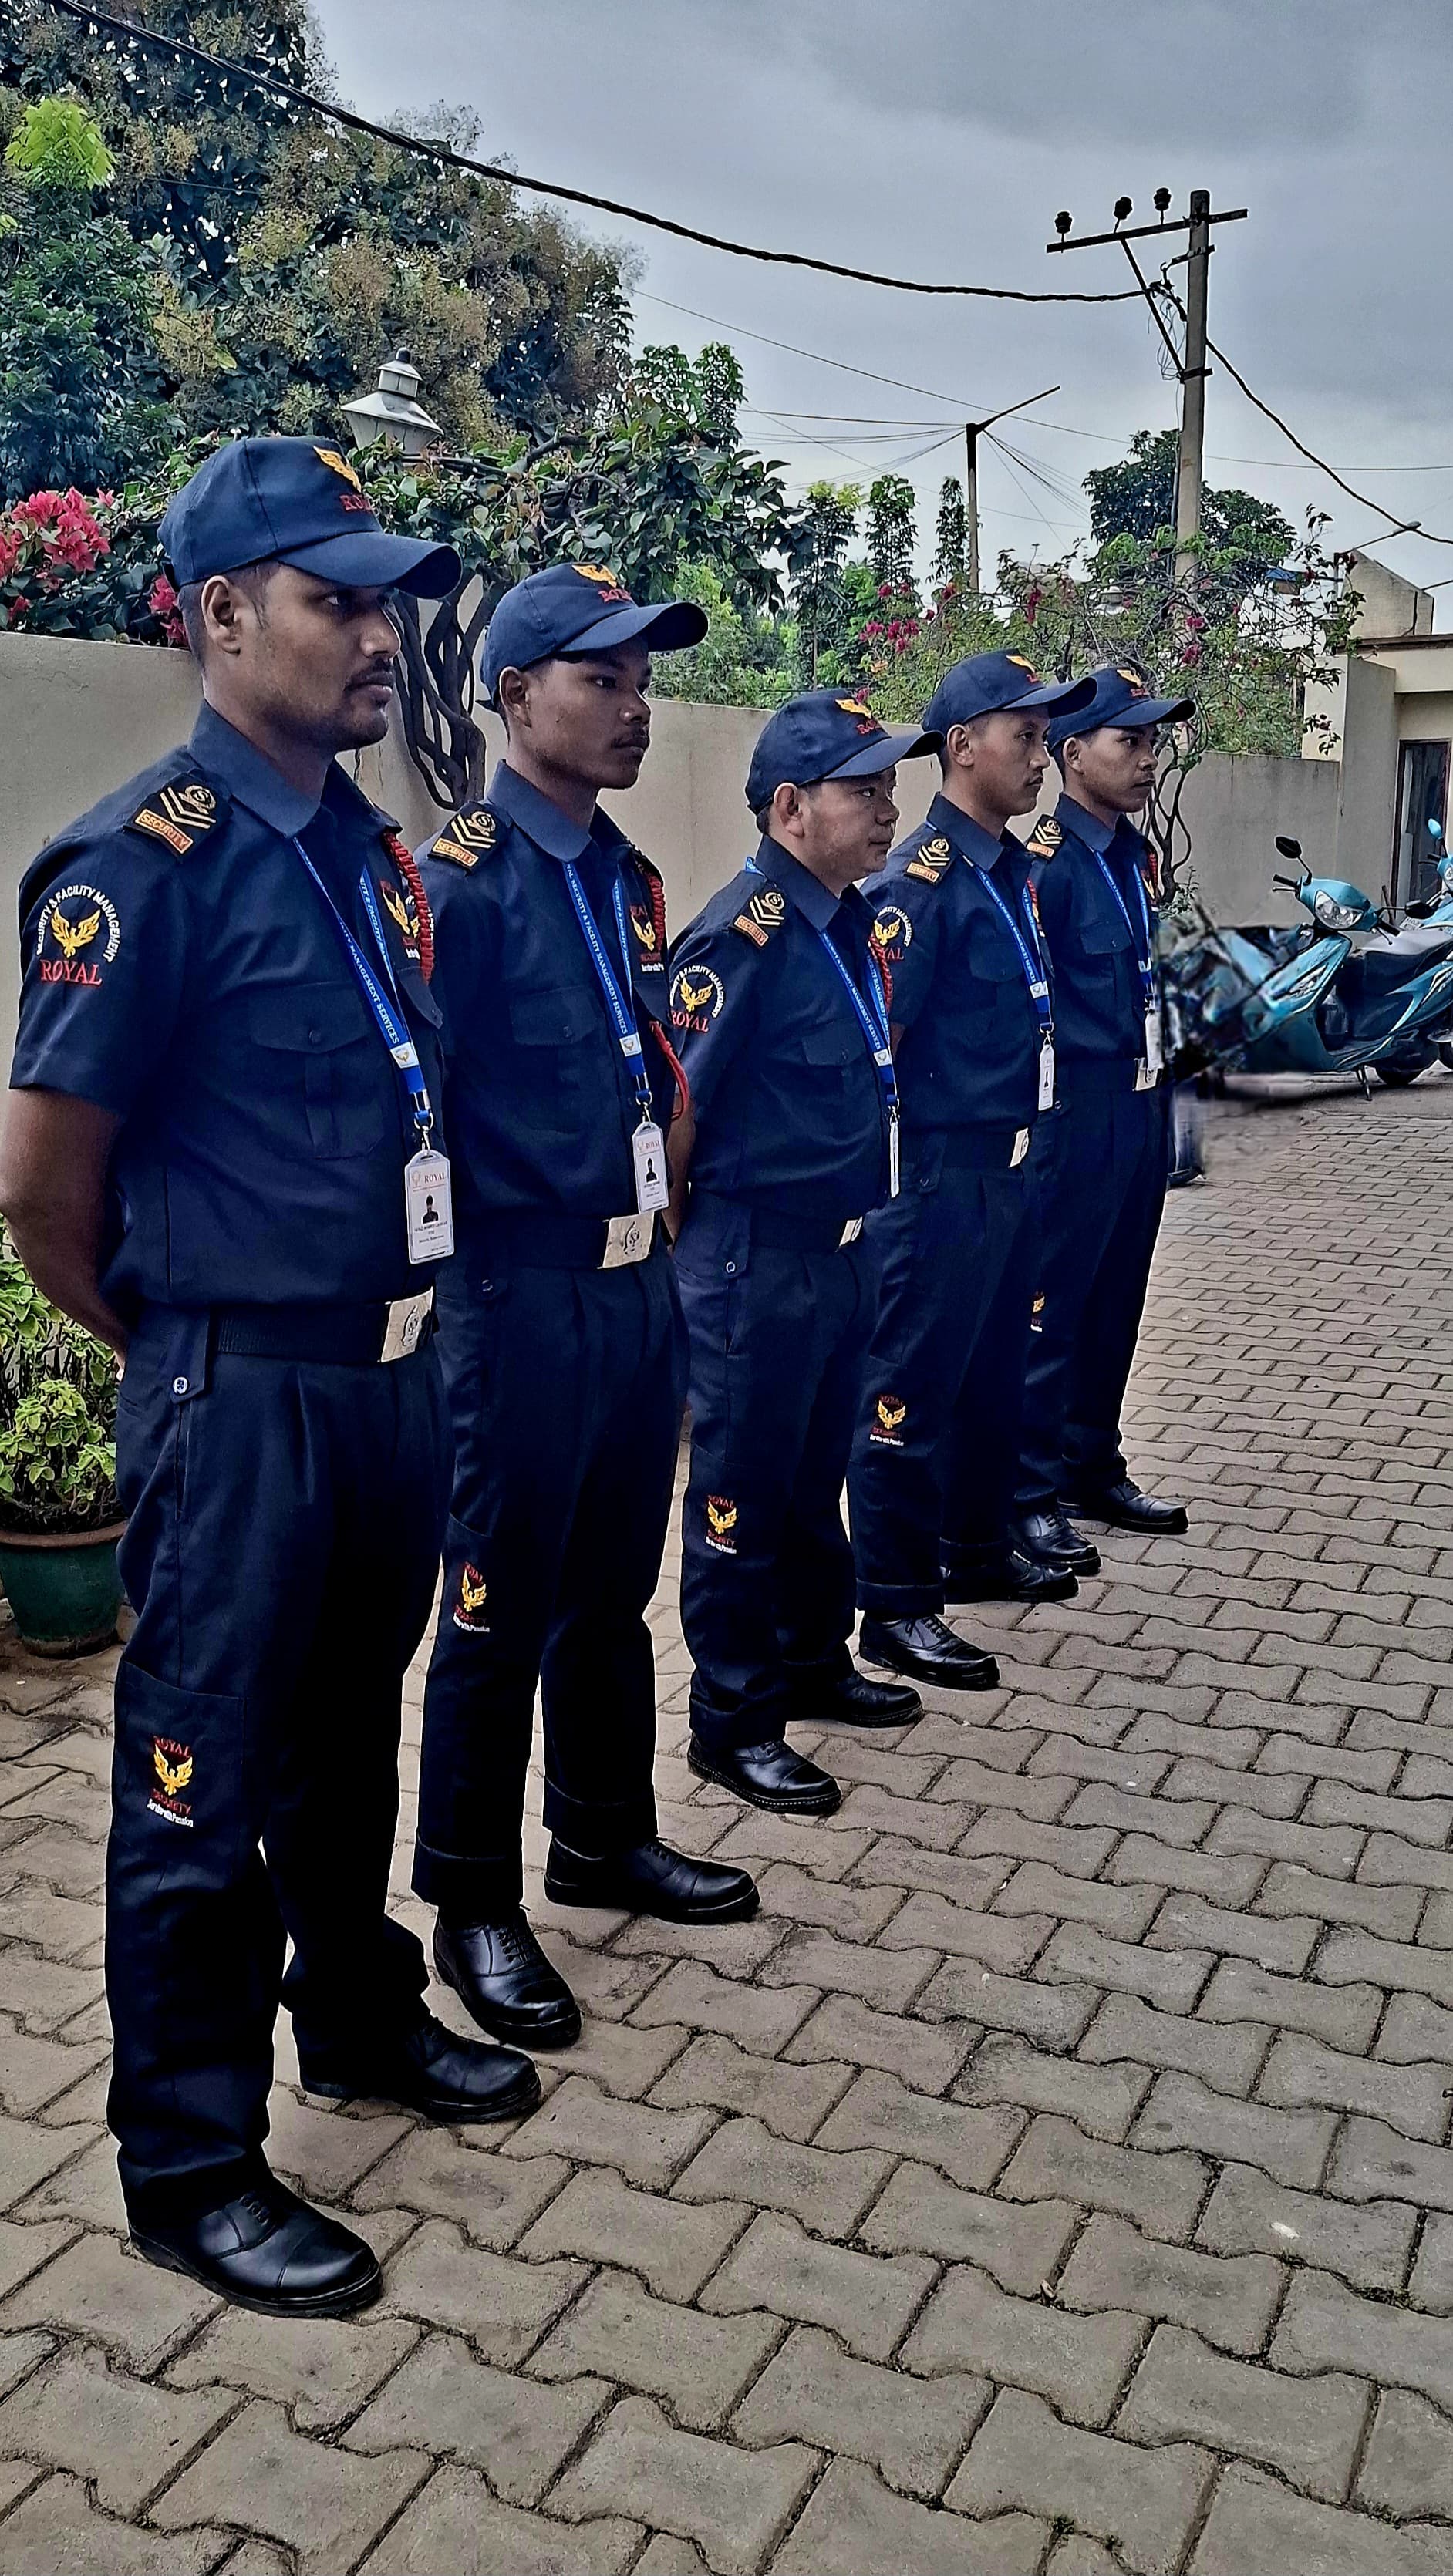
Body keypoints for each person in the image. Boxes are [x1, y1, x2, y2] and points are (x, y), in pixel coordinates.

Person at [0, 437, 542, 2322]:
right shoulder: (138, 868)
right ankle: (189, 2160)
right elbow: (42, 1189)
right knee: (198, 1777)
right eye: (336, 599)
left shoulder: (367, 856)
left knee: (341, 1739)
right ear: (222, 614)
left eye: (387, 601)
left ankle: (359, 2021)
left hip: (388, 1382)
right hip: (240, 1396)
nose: (379, 634)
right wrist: (183, 1348)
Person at [413, 561, 759, 2056]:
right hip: (516, 1291)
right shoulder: (456, 881)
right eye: (601, 677)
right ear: (514, 693)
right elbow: (417, 1114)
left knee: (610, 1589)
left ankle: (602, 1831)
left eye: (641, 680)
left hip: (633, 1282)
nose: (635, 706)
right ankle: (471, 1898)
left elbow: (653, 1074)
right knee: (494, 1607)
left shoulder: (624, 877)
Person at [665, 692, 938, 1815]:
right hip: (755, 1261)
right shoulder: (743, 938)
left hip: (842, 1252)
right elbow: (677, 1122)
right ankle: (732, 1721)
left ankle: (815, 1659)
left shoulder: (849, 922)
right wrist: (702, 1264)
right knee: (741, 1496)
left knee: (816, 1477)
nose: (888, 809)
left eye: (890, 786)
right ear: (790, 808)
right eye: (862, 790)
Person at [849, 649, 1094, 1684]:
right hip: (938, 1178)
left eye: (1046, 736)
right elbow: (885, 1054)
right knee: (907, 1393)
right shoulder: (918, 887)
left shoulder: (1012, 874)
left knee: (993, 1372)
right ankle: (896, 1603)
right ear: (961, 746)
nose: (1042, 756)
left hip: (1011, 1170)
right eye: (1025, 736)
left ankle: (976, 1547)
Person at [1012, 664, 1194, 1552]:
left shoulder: (1133, 857)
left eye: (1153, 741)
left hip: (1139, 1104)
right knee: (1053, 1306)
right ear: (1073, 753)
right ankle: (1029, 1485)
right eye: (1131, 740)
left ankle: (1093, 1462)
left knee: (1119, 1295)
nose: (1149, 757)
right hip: (1076, 1113)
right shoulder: (1045, 869)